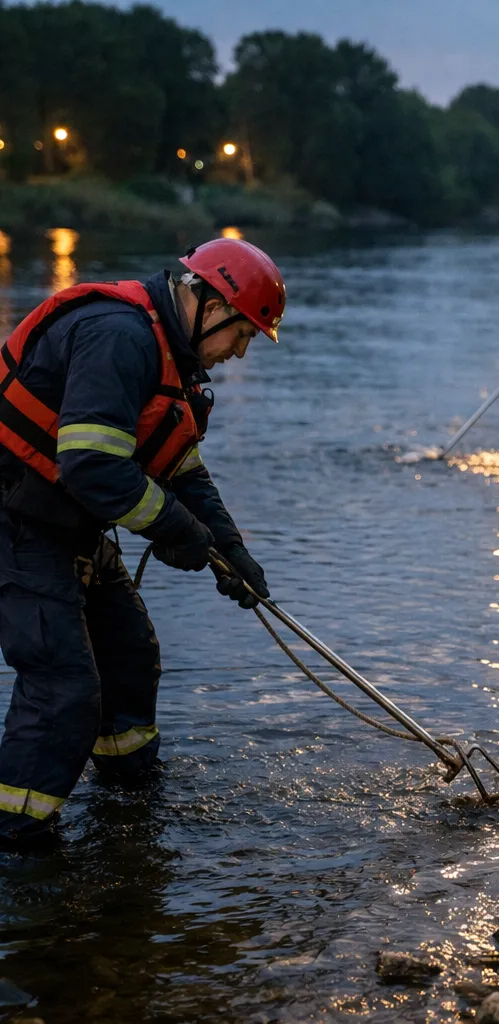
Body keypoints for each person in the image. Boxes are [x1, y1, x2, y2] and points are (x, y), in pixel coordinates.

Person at [0, 237, 285, 842]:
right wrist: (177, 532)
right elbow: (92, 467)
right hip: (18, 522)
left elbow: (180, 468)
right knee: (63, 688)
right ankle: (18, 842)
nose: (238, 352)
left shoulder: (169, 359)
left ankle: (127, 800)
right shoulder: (120, 336)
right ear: (210, 305)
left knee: (128, 656)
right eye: (241, 334)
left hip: (64, 521)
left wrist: (229, 551)